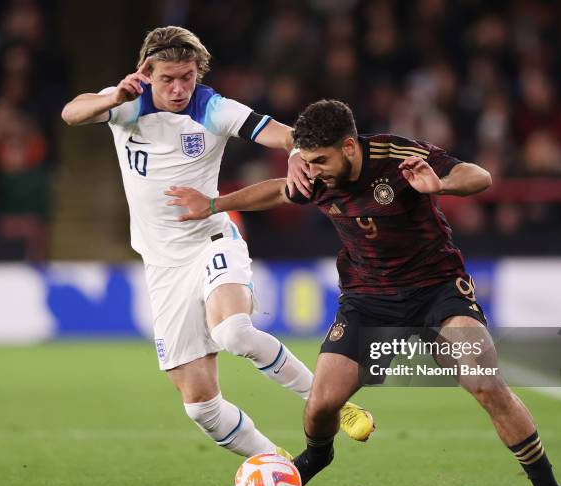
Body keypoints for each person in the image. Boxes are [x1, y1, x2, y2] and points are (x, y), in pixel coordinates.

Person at [165, 99, 561, 486]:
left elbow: (480, 176)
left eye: (320, 160)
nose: (313, 170)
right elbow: (279, 191)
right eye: (307, 161)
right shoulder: (314, 173)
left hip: (437, 292)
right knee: (322, 403)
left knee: (485, 381)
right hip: (369, 300)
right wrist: (216, 204)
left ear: (349, 146)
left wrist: (441, 184)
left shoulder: (398, 157)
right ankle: (318, 455)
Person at [61, 28, 374, 459]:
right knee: (201, 406)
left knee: (234, 332)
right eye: (168, 78)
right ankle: (277, 467)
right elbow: (71, 113)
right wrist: (111, 99)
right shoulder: (126, 103)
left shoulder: (212, 108)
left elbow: (279, 133)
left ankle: (333, 403)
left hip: (211, 240)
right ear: (146, 72)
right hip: (163, 266)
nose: (178, 88)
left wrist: (297, 151)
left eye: (186, 77)